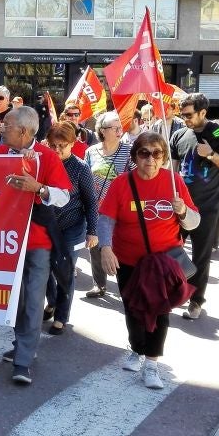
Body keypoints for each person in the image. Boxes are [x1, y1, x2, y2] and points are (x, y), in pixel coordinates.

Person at [98, 131, 200, 390]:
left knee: (158, 311)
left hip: (162, 263)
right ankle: (137, 348)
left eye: (156, 154)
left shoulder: (174, 182)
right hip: (128, 260)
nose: (150, 159)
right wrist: (106, 248)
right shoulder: (122, 184)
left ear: (164, 157)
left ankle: (152, 364)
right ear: (135, 157)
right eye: (144, 153)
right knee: (133, 308)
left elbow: (194, 222)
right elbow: (106, 219)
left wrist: (183, 211)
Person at [0, 106, 71, 385]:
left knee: (34, 297)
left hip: (37, 241)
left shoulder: (48, 157)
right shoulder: (0, 154)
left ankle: (23, 360)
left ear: (24, 131)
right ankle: (22, 343)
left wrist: (38, 188)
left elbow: (63, 197)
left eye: (7, 125)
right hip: (7, 241)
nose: (1, 129)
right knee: (15, 297)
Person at [170, 93, 219, 320]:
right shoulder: (179, 134)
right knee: (170, 252)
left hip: (207, 208)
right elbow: (171, 170)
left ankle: (196, 300)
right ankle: (174, 292)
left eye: (189, 115)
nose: (185, 119)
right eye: (183, 115)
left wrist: (211, 154)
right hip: (179, 206)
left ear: (203, 112)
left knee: (200, 257)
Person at [43, 121, 98, 335]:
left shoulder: (81, 167)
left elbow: (91, 201)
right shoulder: (45, 163)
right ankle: (53, 301)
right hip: (47, 225)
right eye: (53, 145)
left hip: (73, 226)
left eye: (62, 145)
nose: (57, 150)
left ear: (72, 143)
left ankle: (61, 317)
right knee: (45, 269)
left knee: (65, 272)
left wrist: (92, 230)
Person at [82, 111, 134, 298]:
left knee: (120, 246)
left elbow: (137, 178)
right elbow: (85, 178)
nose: (120, 130)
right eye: (115, 127)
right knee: (95, 246)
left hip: (121, 208)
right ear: (103, 131)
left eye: (120, 127)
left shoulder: (129, 150)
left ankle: (125, 284)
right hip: (96, 207)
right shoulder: (90, 151)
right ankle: (99, 284)